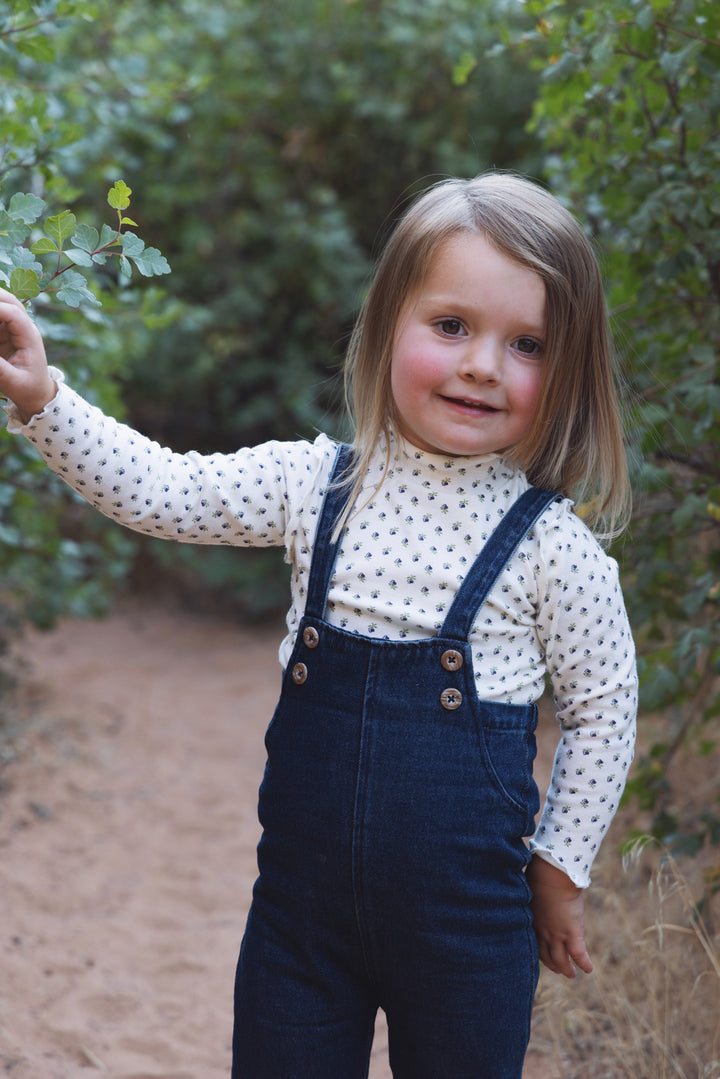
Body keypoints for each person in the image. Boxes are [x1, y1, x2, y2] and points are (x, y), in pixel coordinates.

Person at [0, 172, 637, 1079]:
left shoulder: (551, 547)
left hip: (469, 937)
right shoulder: (314, 486)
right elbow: (162, 490)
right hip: (299, 924)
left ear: (564, 368)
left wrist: (561, 868)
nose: (482, 364)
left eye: (526, 343)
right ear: (386, 329)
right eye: (451, 325)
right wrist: (44, 400)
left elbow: (605, 704)